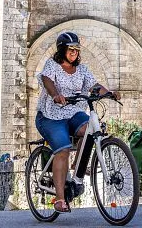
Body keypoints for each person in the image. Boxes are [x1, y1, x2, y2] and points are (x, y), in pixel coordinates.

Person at [35, 31, 120, 213]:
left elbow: (93, 86)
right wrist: (55, 95)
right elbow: (47, 80)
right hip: (51, 115)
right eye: (70, 49)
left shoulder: (82, 70)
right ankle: (59, 199)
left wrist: (109, 93)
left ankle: (77, 171)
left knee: (91, 128)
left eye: (76, 49)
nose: (74, 52)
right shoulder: (52, 65)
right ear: (62, 50)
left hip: (73, 112)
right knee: (63, 150)